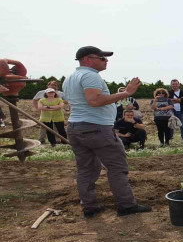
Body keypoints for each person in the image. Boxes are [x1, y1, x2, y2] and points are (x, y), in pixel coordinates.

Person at [63, 46, 150, 217]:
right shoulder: (90, 75)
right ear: (88, 59)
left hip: (76, 127)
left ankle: (89, 206)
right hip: (96, 128)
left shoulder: (70, 77)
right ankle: (126, 205)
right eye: (102, 58)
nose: (106, 60)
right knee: (117, 166)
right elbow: (95, 101)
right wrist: (126, 93)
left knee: (85, 169)